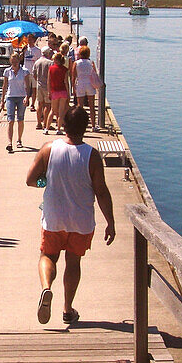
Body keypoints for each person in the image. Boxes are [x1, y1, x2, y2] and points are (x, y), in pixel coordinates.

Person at [26, 105, 115, 325]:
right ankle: (67, 309)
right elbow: (101, 191)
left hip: (54, 217)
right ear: (85, 128)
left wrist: (45, 181)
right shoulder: (92, 155)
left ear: (63, 124)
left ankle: (46, 288)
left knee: (48, 256)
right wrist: (110, 222)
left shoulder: (49, 149)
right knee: (73, 261)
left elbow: (30, 179)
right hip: (81, 220)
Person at [0, 51, 34, 152]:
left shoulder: (25, 71)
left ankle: (19, 140)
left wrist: (27, 97)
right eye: (12, 61)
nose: (14, 63)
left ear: (19, 61)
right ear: (10, 61)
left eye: (16, 61)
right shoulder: (7, 71)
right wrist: (2, 100)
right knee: (10, 120)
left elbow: (28, 86)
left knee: (20, 119)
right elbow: (4, 86)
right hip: (10, 96)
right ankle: (10, 142)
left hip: (21, 96)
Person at [72, 45, 101, 130]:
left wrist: (73, 88)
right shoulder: (91, 63)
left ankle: (79, 125)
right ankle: (93, 125)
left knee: (79, 106)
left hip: (80, 83)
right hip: (90, 84)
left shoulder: (76, 63)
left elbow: (73, 76)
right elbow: (94, 73)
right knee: (92, 106)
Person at [44, 52, 69, 134]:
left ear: (56, 60)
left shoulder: (51, 69)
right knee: (61, 111)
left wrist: (49, 92)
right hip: (63, 91)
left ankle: (46, 128)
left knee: (53, 111)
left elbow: (49, 81)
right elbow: (66, 82)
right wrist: (68, 93)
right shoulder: (65, 69)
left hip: (54, 91)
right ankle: (58, 129)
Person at [31, 48, 53, 130]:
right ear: (47, 53)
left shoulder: (37, 62)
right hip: (47, 86)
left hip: (39, 85)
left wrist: (38, 80)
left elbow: (34, 74)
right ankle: (45, 123)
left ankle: (38, 123)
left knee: (40, 104)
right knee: (48, 105)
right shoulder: (50, 63)